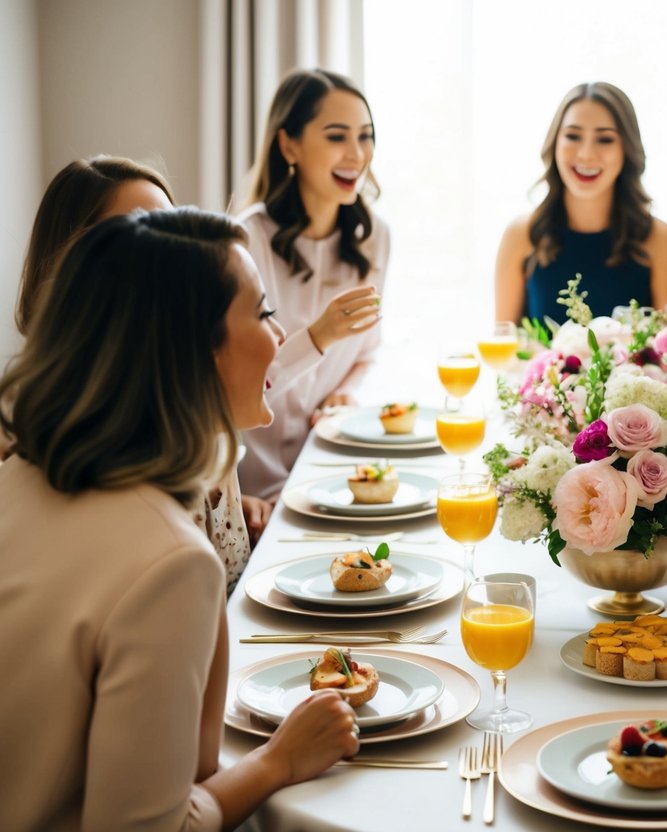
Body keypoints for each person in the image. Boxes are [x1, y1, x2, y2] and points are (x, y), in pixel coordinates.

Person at [0, 209, 359, 831]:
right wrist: (279, 761)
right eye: (265, 314)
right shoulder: (168, 562)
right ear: (196, 351)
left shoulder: (20, 478)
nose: (281, 338)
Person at [10, 155, 271, 585]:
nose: (168, 253)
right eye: (140, 232)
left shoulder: (188, 390)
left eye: (171, 229)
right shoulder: (40, 427)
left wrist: (230, 512)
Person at [237, 68, 388, 501]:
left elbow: (369, 353)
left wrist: (347, 393)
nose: (357, 154)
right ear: (289, 144)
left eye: (366, 136)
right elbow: (234, 388)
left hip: (339, 479)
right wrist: (318, 337)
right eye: (337, 136)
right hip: (257, 494)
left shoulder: (375, 238)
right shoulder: (246, 242)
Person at [495, 81, 667, 325]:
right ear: (555, 144)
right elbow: (503, 347)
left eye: (605, 139)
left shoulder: (660, 239)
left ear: (627, 148)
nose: (586, 153)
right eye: (573, 136)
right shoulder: (521, 235)